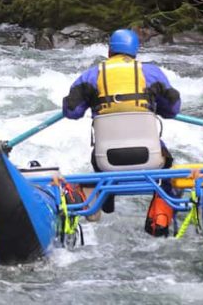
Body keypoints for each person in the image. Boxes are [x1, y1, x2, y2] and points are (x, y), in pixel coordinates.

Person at [62, 28, 181, 236]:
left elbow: (71, 112)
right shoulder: (151, 73)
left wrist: (94, 103)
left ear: (109, 51)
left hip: (106, 162)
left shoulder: (91, 75)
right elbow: (173, 109)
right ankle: (159, 220)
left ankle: (97, 201)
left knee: (95, 159)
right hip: (152, 161)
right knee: (169, 167)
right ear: (135, 52)